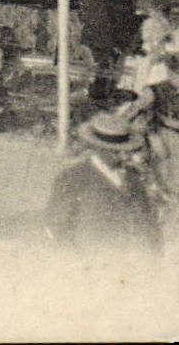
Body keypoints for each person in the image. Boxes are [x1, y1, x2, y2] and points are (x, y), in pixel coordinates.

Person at [44, 110, 163, 258]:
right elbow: (56, 228)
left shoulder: (134, 178)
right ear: (98, 148)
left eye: (127, 150)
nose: (124, 156)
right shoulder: (73, 177)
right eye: (116, 152)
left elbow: (149, 223)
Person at [79, 0, 139, 107]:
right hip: (99, 46)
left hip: (95, 45)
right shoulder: (101, 2)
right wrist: (113, 46)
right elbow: (101, 28)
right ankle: (97, 101)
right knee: (101, 74)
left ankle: (97, 99)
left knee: (101, 75)